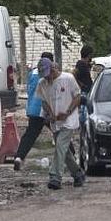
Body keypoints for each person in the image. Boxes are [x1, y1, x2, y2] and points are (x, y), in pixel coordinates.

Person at [35, 58, 85, 190]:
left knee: (60, 146)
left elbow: (77, 97)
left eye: (48, 74)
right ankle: (78, 174)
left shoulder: (68, 78)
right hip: (55, 122)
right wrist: (50, 114)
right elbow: (44, 102)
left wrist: (68, 112)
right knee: (64, 151)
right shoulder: (42, 83)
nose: (47, 78)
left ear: (53, 69)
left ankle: (55, 177)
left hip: (68, 120)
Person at [13, 52, 54, 171]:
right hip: (45, 110)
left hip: (32, 109)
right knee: (59, 133)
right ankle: (72, 156)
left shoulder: (32, 73)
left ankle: (19, 157)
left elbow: (29, 90)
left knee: (29, 135)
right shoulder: (48, 74)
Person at [74, 45, 94, 124]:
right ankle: (82, 124)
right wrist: (80, 84)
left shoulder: (85, 64)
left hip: (88, 89)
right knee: (83, 109)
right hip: (84, 90)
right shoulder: (80, 64)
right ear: (88, 54)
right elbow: (74, 74)